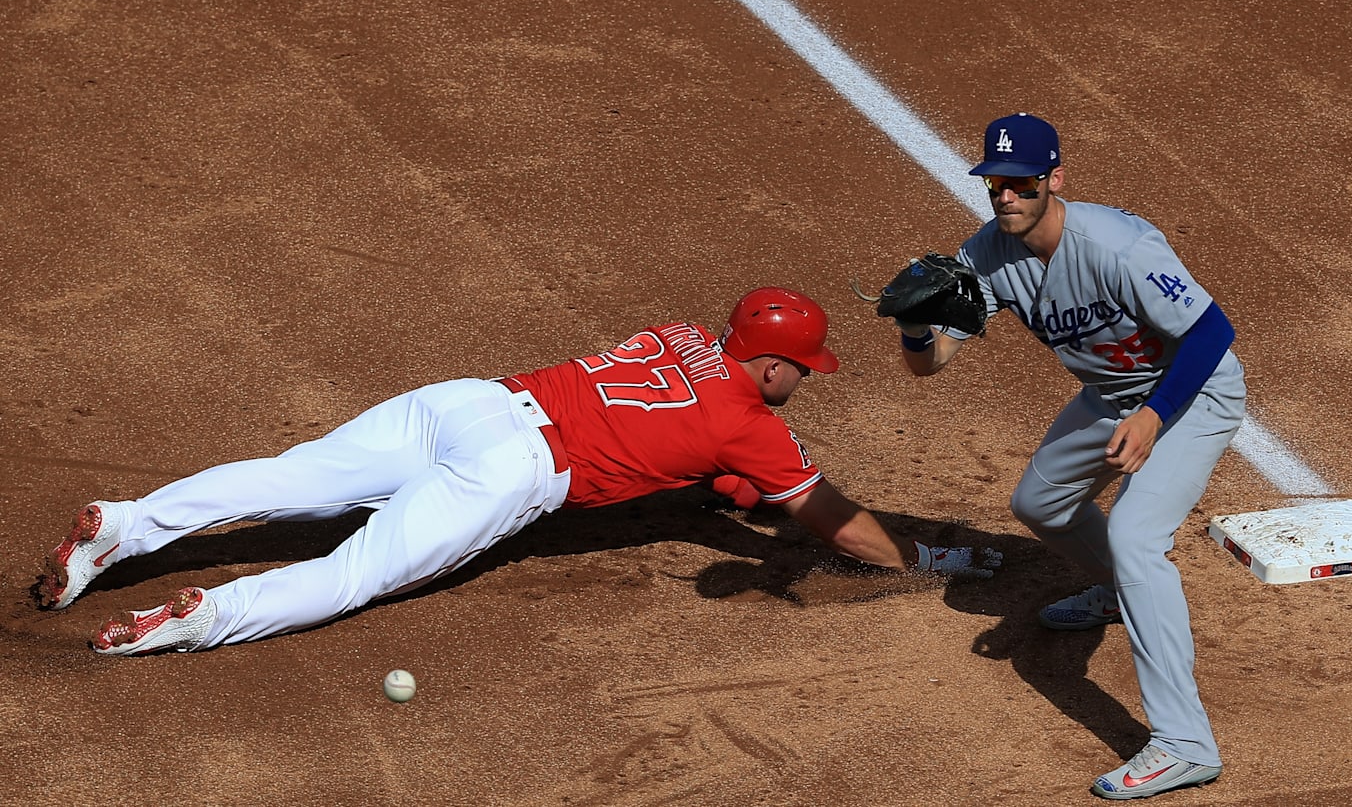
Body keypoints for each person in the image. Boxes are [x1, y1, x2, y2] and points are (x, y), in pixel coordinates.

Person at [37, 287, 1002, 656]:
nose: (806, 380)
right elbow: (829, 516)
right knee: (354, 573)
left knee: (288, 478)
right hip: (511, 470)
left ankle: (126, 522)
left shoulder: (676, 337)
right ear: (774, 364)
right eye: (804, 368)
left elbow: (670, 422)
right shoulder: (747, 423)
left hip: (465, 402)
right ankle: (206, 619)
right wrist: (912, 562)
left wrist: (725, 488)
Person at [882, 113, 1244, 800]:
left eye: (1020, 184)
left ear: (1054, 179)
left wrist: (1153, 415)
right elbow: (933, 363)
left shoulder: (1118, 245)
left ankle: (1185, 744)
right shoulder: (985, 256)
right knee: (1039, 502)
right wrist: (911, 326)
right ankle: (1117, 592)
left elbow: (1212, 332)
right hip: (1113, 396)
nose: (1006, 197)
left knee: (1138, 537)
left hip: (1190, 395)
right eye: (995, 184)